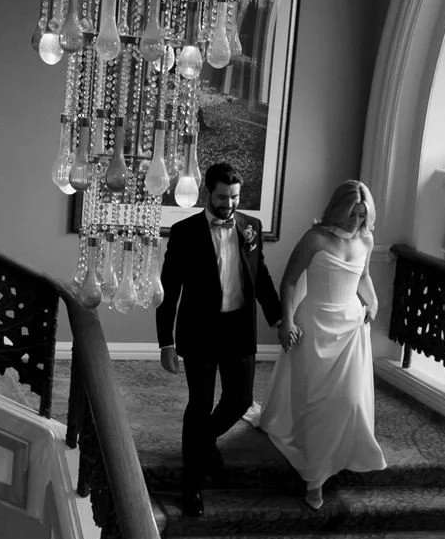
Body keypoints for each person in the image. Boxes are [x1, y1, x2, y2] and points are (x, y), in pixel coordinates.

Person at [157, 160, 288, 516]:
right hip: (198, 333)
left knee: (240, 400)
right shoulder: (185, 233)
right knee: (198, 407)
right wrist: (165, 342)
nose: (229, 204)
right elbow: (168, 291)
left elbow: (260, 277)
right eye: (222, 197)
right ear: (207, 193)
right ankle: (191, 486)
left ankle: (205, 440)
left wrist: (277, 318)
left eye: (234, 197)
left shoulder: (251, 227)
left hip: (238, 331)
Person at [258, 178, 387, 510]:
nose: (356, 222)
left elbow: (362, 275)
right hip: (314, 326)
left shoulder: (366, 241)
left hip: (351, 327)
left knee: (348, 401)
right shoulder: (314, 238)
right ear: (338, 208)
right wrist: (286, 322)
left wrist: (372, 302)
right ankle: (314, 478)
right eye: (352, 214)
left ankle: (343, 457)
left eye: (362, 215)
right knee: (314, 403)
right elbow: (288, 281)